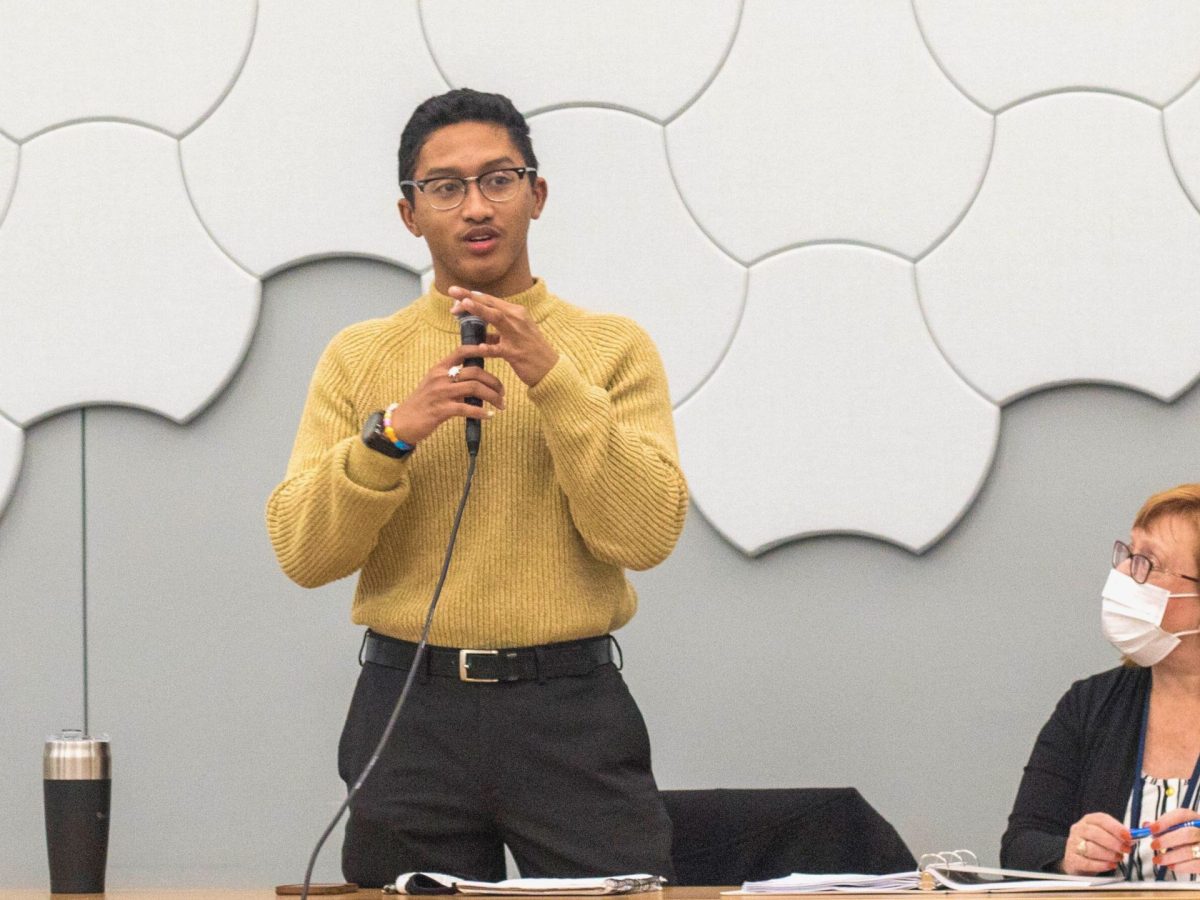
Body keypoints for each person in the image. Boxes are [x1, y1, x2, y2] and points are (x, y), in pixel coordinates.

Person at [265, 88, 687, 887]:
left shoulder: (610, 348)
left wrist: (554, 381)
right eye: (445, 187)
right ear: (409, 215)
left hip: (569, 707)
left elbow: (645, 535)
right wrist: (390, 436)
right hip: (409, 705)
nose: (475, 206)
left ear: (537, 194)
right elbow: (302, 551)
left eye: (498, 179)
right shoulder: (360, 356)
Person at [1002, 483, 1200, 881]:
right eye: (1129, 554)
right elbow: (1019, 847)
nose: (1125, 573)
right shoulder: (1089, 704)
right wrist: (1068, 853)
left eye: (1149, 562)